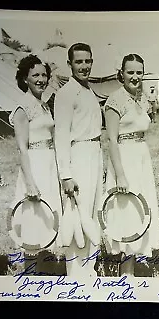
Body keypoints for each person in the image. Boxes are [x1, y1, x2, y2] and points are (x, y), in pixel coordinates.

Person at [104, 54, 159, 276]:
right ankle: (125, 276)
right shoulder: (114, 101)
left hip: (141, 160)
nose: (135, 77)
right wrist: (120, 175)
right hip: (124, 161)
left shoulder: (142, 100)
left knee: (140, 213)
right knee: (126, 214)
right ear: (121, 73)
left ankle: (133, 271)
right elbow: (111, 140)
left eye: (139, 72)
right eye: (130, 72)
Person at [8, 54, 63, 268]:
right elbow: (22, 148)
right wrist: (30, 182)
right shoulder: (23, 107)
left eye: (44, 75)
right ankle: (30, 275)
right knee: (33, 220)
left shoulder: (43, 105)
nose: (41, 79)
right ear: (24, 79)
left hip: (48, 165)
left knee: (47, 221)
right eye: (35, 75)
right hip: (34, 167)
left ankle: (43, 270)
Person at [54, 43, 103, 277]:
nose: (84, 66)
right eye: (79, 62)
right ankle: (75, 273)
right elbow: (61, 136)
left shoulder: (89, 91)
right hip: (78, 158)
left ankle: (89, 270)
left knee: (92, 214)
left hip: (95, 155)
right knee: (77, 215)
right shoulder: (64, 95)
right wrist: (66, 174)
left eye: (88, 61)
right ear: (70, 64)